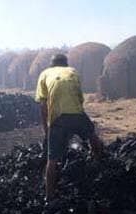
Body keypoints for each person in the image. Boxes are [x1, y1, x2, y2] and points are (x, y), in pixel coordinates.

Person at [35, 54, 102, 201]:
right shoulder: (73, 71)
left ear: (51, 65)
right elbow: (79, 99)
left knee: (51, 160)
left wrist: (47, 130)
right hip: (77, 112)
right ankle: (99, 163)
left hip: (58, 117)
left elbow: (43, 106)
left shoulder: (45, 74)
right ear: (66, 64)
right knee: (92, 135)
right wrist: (78, 122)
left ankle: (49, 197)